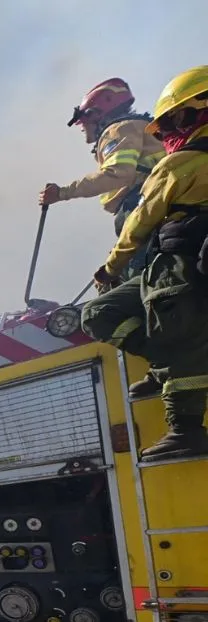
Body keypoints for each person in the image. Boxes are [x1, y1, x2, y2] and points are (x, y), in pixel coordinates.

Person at [80, 66, 208, 461]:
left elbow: (138, 222)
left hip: (178, 264)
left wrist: (109, 270)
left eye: (171, 120)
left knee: (175, 329)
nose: (165, 130)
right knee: (105, 313)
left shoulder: (178, 164)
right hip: (185, 258)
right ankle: (161, 366)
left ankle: (185, 429)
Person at [39, 77, 165, 263]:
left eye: (82, 121)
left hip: (143, 204)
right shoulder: (139, 127)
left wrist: (62, 192)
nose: (81, 127)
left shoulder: (117, 130)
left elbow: (118, 173)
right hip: (158, 203)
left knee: (138, 271)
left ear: (95, 114)